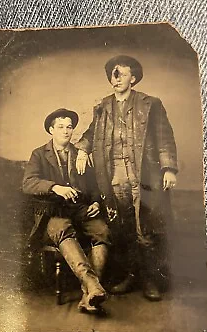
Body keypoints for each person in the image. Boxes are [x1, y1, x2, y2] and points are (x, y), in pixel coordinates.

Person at [75, 55, 178, 301]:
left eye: (121, 73)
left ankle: (150, 279)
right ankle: (131, 276)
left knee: (147, 229)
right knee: (123, 228)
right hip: (114, 176)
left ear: (133, 78)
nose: (116, 78)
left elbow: (164, 137)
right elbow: (91, 132)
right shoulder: (103, 107)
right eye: (113, 73)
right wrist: (82, 149)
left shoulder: (150, 103)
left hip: (145, 174)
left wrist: (169, 169)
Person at [23, 108, 111, 313]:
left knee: (103, 231)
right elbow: (28, 183)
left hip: (79, 210)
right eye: (60, 127)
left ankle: (88, 294)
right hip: (52, 212)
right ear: (51, 130)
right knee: (62, 230)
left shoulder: (80, 154)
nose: (65, 131)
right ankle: (93, 287)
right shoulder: (39, 154)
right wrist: (55, 187)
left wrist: (96, 203)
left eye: (69, 127)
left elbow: (94, 188)